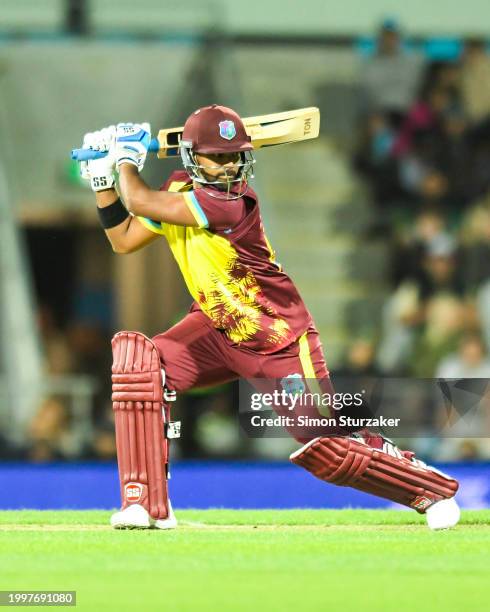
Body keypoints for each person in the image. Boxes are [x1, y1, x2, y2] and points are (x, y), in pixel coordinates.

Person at [79, 105, 460, 530]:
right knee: (140, 364)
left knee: (325, 445)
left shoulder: (231, 202)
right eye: (218, 157)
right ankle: (144, 505)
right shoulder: (179, 190)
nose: (228, 168)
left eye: (234, 157)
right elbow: (124, 239)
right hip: (216, 327)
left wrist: (125, 158)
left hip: (277, 337)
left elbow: (139, 198)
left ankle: (429, 488)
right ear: (191, 157)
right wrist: (101, 181)